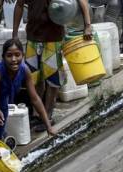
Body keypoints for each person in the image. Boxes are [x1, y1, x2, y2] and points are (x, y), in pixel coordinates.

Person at [12, 0, 92, 132]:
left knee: (53, 79)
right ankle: (37, 114)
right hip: (33, 36)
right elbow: (19, 5)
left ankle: (47, 115)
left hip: (53, 38)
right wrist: (14, 34)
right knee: (34, 78)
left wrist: (87, 25)